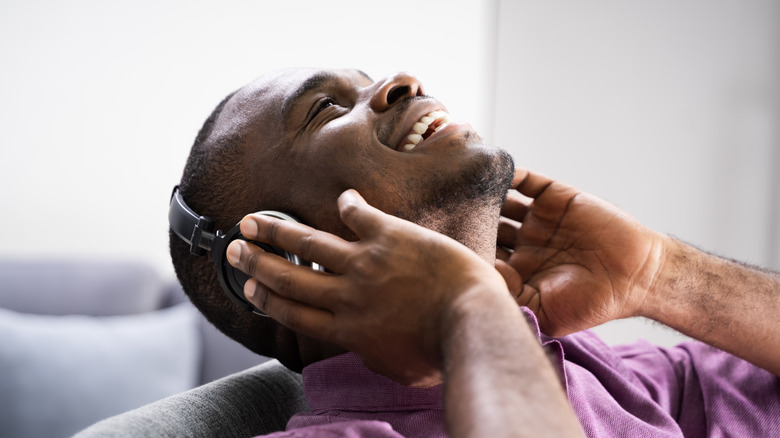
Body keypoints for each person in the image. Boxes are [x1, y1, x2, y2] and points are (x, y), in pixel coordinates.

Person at [171, 67, 780, 437]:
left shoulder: (593, 372)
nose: (401, 81)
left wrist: (660, 273)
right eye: (326, 108)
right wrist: (469, 309)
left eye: (366, 79)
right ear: (284, 258)